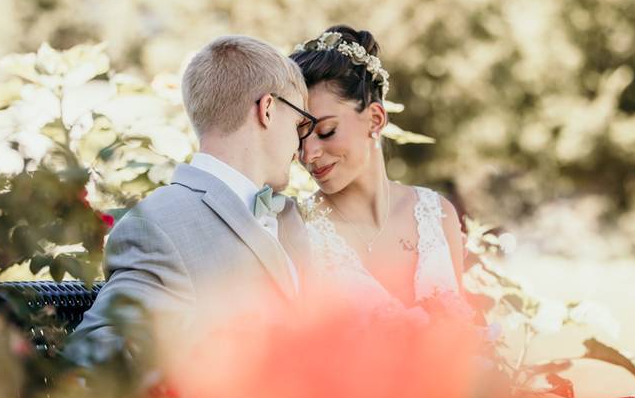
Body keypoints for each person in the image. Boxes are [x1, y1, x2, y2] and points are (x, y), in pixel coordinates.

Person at [64, 35, 314, 366]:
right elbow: (92, 365)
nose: (301, 145)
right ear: (268, 109)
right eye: (300, 123)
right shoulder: (157, 227)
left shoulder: (289, 218)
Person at [289, 26, 467, 315]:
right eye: (297, 138)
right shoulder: (295, 232)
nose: (308, 154)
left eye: (326, 131)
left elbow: (464, 341)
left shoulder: (439, 215)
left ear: (375, 119)